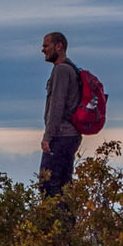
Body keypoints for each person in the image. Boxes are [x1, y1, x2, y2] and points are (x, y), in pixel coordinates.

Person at [37, 32, 83, 194]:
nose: (43, 50)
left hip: (61, 136)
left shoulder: (61, 70)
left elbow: (57, 106)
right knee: (64, 185)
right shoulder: (71, 69)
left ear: (59, 46)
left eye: (46, 45)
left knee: (48, 184)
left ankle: (55, 219)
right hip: (70, 136)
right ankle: (67, 218)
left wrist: (47, 137)